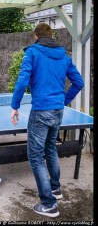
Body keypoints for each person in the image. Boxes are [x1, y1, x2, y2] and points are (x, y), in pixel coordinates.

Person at [10, 23, 84, 218]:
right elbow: (79, 82)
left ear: (35, 36)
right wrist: (64, 100)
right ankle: (55, 189)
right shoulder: (64, 56)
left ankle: (49, 204)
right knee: (50, 147)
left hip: (41, 110)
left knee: (35, 156)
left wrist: (15, 106)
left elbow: (22, 80)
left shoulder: (32, 53)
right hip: (57, 111)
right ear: (51, 36)